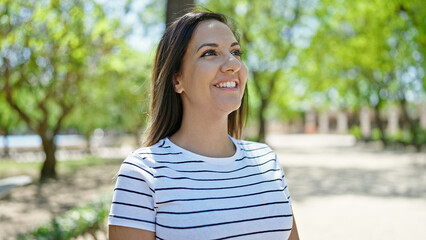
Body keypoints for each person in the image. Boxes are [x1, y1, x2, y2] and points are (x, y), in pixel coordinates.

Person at [108, 11, 299, 240]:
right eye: (210, 53)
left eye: (236, 52)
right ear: (177, 79)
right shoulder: (142, 173)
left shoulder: (267, 160)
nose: (233, 64)